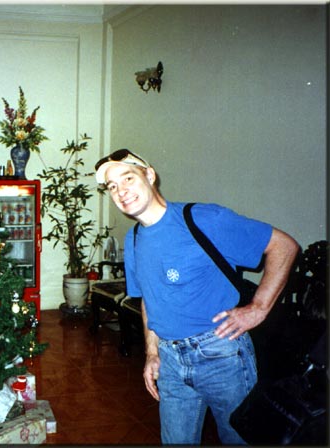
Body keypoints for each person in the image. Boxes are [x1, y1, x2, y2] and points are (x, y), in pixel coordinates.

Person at [94, 149, 299, 444]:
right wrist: (152, 353)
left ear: (149, 175)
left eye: (128, 178)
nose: (121, 191)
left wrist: (258, 308)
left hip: (221, 354)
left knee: (240, 440)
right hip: (170, 361)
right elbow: (148, 300)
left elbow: (284, 246)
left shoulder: (203, 219)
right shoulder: (134, 238)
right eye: (112, 186)